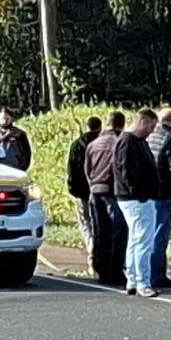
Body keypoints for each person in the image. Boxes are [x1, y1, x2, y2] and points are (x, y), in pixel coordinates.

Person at [114, 109, 160, 297]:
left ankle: (132, 279)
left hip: (133, 198)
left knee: (135, 239)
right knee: (143, 240)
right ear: (143, 122)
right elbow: (127, 171)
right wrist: (140, 194)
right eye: (151, 125)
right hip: (136, 199)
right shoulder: (128, 142)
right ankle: (143, 282)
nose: (152, 130)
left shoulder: (136, 141)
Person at [85, 112, 128, 286]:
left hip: (95, 190)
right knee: (118, 231)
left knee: (100, 232)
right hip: (112, 192)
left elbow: (87, 170)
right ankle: (115, 271)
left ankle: (100, 269)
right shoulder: (118, 144)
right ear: (120, 126)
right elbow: (120, 169)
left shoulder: (93, 144)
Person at [148, 108, 171, 288]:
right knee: (160, 234)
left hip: (148, 192)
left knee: (148, 233)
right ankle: (157, 275)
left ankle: (148, 272)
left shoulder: (151, 135)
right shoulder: (170, 137)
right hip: (164, 193)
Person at [67, 116, 103, 271]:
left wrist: (72, 188)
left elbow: (71, 168)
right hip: (99, 189)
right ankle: (97, 253)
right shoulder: (103, 143)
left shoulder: (77, 145)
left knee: (85, 223)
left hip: (81, 190)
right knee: (98, 223)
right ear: (100, 127)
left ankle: (91, 247)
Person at [0, 107, 32, 171]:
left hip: (16, 170)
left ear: (11, 118)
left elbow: (27, 154)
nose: (5, 120)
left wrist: (22, 168)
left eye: (7, 118)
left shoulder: (19, 134)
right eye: (3, 118)